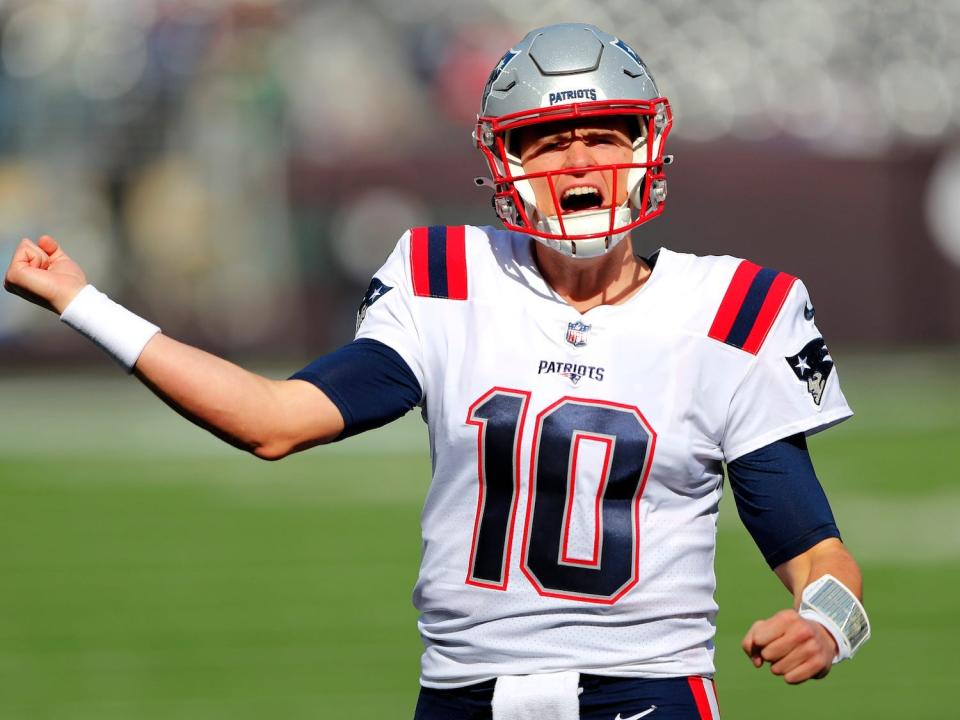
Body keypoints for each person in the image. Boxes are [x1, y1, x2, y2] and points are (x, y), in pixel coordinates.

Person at [4, 23, 869, 720]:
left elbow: (815, 552)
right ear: (505, 163)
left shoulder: (733, 309)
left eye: (602, 137)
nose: (576, 164)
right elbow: (272, 419)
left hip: (644, 693)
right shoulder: (448, 279)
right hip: (461, 695)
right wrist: (86, 303)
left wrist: (828, 624)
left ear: (649, 146)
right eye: (546, 142)